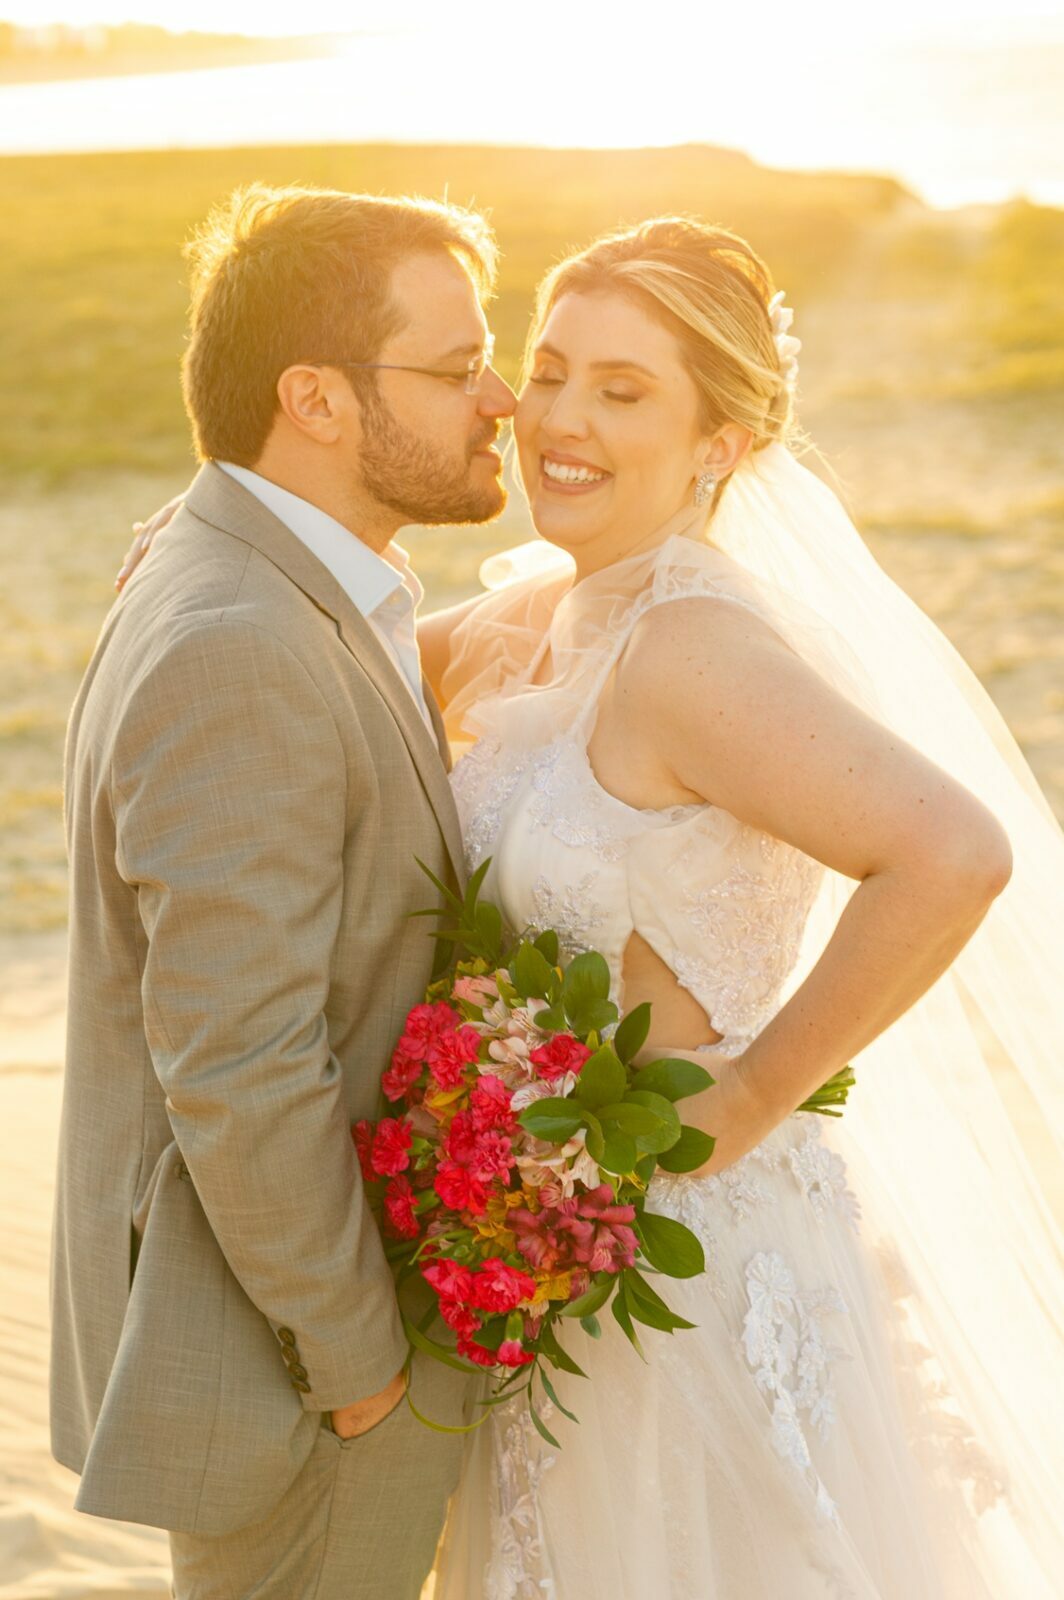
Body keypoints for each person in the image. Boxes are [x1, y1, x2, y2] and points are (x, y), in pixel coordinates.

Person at [122, 215, 1064, 1598]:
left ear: (720, 445)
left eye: (622, 392)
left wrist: (754, 1095)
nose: (558, 418)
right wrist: (218, 538)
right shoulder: (532, 621)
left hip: (693, 1277)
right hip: (543, 1278)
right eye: (550, 370)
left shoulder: (694, 649)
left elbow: (954, 853)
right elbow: (319, 653)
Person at [54, 182, 515, 1600]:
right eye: (457, 367)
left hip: (324, 1333)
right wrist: (357, 1364)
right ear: (312, 398)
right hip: (299, 1370)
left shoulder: (256, 564)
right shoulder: (235, 642)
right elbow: (239, 1062)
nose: (500, 398)